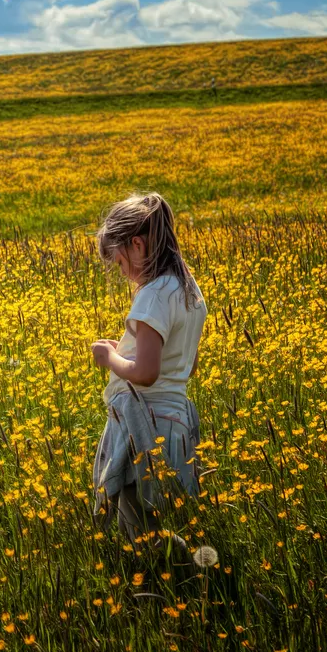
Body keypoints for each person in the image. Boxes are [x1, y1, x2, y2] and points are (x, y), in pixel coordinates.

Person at [89, 192, 208, 547]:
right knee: (158, 521)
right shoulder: (188, 290)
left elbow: (145, 373)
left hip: (145, 428)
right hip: (175, 425)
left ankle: (183, 576)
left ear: (137, 244)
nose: (124, 275)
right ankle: (187, 576)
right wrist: (126, 349)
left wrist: (110, 359)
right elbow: (186, 365)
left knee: (141, 532)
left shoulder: (153, 294)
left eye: (121, 264)